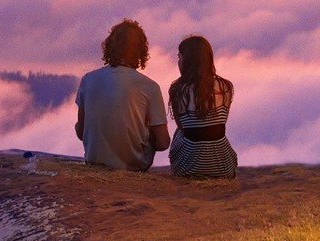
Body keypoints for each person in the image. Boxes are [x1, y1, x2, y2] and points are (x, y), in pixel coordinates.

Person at [75, 19, 170, 171]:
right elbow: (163, 143)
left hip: (94, 163)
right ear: (141, 51)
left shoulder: (88, 79)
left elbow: (80, 132)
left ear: (109, 47)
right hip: (134, 167)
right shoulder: (150, 87)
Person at [167, 33, 238, 180]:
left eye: (179, 57)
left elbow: (181, 126)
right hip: (223, 167)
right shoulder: (226, 87)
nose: (178, 61)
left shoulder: (178, 90)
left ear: (187, 61)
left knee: (178, 132)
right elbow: (219, 123)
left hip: (187, 168)